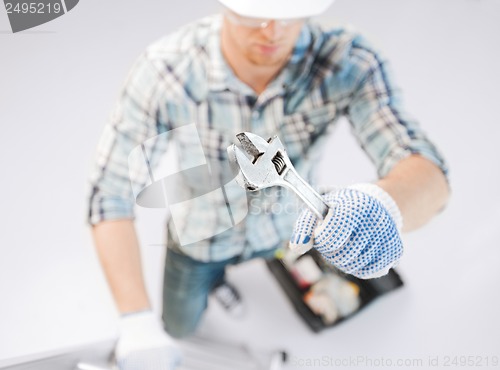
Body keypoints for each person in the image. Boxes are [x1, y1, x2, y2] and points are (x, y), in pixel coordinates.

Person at [87, 0, 450, 368]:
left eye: (291, 8)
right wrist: (135, 320)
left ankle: (223, 282)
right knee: (179, 327)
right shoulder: (165, 70)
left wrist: (385, 203)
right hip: (199, 241)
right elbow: (109, 193)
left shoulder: (349, 60)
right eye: (254, 9)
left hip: (283, 236)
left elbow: (424, 168)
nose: (273, 29)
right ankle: (215, 282)